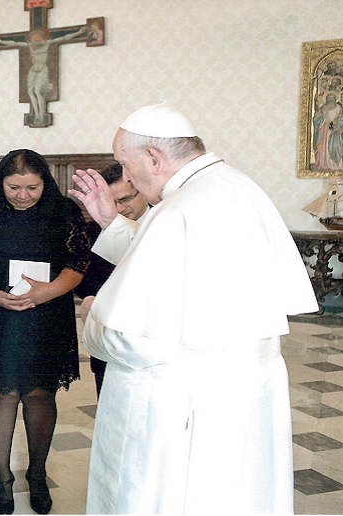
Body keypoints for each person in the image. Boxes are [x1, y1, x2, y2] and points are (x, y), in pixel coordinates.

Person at [69, 103, 318, 514]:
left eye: (126, 165)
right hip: (241, 394)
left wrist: (94, 313)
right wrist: (112, 223)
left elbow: (130, 337)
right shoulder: (236, 187)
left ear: (154, 157)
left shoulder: (178, 209)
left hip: (180, 404)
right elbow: (180, 266)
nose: (125, 177)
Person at [0, 149, 91, 514]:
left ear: (45, 182)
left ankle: (38, 473)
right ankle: (2, 478)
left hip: (47, 315)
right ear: (1, 182)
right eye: (14, 187)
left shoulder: (64, 211)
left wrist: (46, 292)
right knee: (2, 394)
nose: (23, 195)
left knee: (40, 394)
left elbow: (78, 263)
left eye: (32, 187)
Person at [73, 162, 149, 398]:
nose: (119, 208)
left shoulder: (165, 221)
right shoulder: (92, 231)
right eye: (112, 201)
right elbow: (84, 281)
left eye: (125, 199)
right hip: (108, 328)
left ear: (142, 190)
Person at [0, 27, 88, 125]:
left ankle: (41, 115)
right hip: (33, 71)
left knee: (37, 91)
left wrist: (78, 32)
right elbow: (15, 43)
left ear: (42, 39)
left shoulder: (47, 44)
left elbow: (64, 38)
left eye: (37, 40)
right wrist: (1, 41)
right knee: (30, 92)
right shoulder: (30, 46)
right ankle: (36, 115)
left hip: (42, 70)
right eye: (33, 40)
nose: (35, 42)